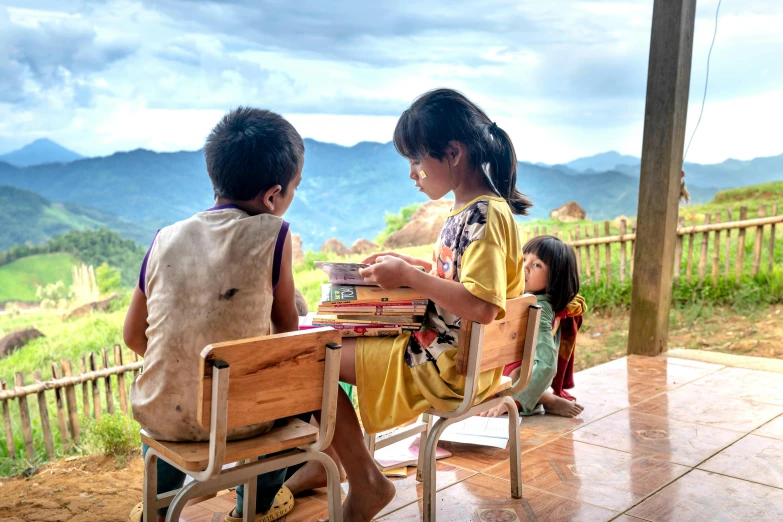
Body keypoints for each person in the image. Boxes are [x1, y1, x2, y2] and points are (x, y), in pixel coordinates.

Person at [285, 88, 531, 521]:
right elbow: (467, 283)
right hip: (452, 354)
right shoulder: (473, 211)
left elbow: (483, 306)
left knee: (313, 356)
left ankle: (361, 478)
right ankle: (341, 463)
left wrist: (411, 278)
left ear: (453, 152)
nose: (412, 173)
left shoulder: (482, 216)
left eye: (417, 160)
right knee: (324, 343)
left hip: (442, 363)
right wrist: (420, 267)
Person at [124, 107, 303, 522]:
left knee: (171, 398)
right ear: (273, 195)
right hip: (243, 423)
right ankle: (254, 507)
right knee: (296, 388)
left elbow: (134, 335)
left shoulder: (164, 238)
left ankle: (159, 500)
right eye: (294, 188)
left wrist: (185, 370)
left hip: (160, 415)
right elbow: (286, 332)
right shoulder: (275, 234)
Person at [480, 235, 586, 419]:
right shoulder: (521, 295)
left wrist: (513, 401)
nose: (525, 267)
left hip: (516, 373)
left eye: (537, 265)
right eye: (524, 258)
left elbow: (545, 365)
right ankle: (543, 397)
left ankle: (545, 399)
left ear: (555, 278)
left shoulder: (539, 307)